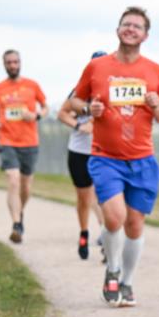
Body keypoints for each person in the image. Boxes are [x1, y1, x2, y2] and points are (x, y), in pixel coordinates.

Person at [67, 7, 159, 307]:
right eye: (126, 24)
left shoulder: (155, 71)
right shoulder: (97, 67)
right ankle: (111, 270)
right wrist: (89, 109)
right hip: (105, 157)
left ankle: (126, 282)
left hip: (142, 159)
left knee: (135, 225)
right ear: (117, 30)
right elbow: (74, 101)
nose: (130, 29)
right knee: (115, 217)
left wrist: (154, 105)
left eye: (137, 26)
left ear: (145, 35)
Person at [0, 49, 47, 243]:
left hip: (30, 141)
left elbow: (45, 107)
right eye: (9, 62)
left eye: (15, 62)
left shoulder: (32, 86)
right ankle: (16, 224)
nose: (12, 65)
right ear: (4, 64)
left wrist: (36, 115)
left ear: (20, 63)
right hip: (7, 140)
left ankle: (19, 213)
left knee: (26, 187)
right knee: (13, 179)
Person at [59, 51, 108, 260]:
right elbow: (62, 113)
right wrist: (80, 124)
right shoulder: (79, 92)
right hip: (79, 152)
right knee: (84, 198)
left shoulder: (112, 92)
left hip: (104, 151)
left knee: (106, 197)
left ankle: (108, 239)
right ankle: (84, 232)